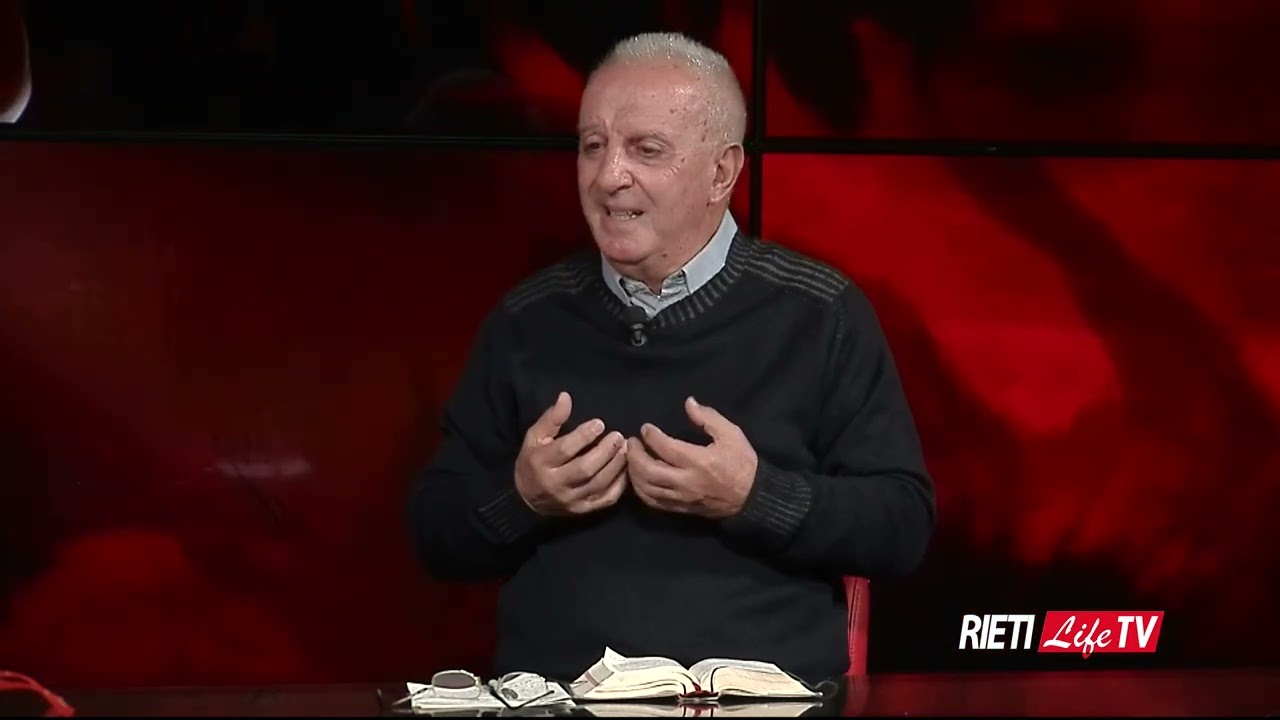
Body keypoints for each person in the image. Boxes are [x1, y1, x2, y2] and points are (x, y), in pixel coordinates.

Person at [406, 32, 936, 686]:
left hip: (758, 703)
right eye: (592, 145)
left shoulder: (821, 312)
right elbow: (435, 532)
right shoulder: (527, 320)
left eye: (646, 149)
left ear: (721, 172)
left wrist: (755, 496)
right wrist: (522, 498)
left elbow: (902, 527)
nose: (607, 176)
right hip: (563, 699)